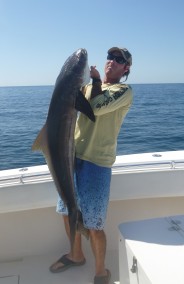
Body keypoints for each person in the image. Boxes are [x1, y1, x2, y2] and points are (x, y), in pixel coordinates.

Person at [49, 46, 133, 284]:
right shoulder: (84, 87)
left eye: (119, 60)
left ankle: (100, 272)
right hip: (72, 158)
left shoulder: (123, 91)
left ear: (126, 68)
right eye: (110, 57)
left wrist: (95, 81)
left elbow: (93, 108)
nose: (112, 61)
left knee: (93, 224)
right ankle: (76, 255)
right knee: (67, 212)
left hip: (96, 163)